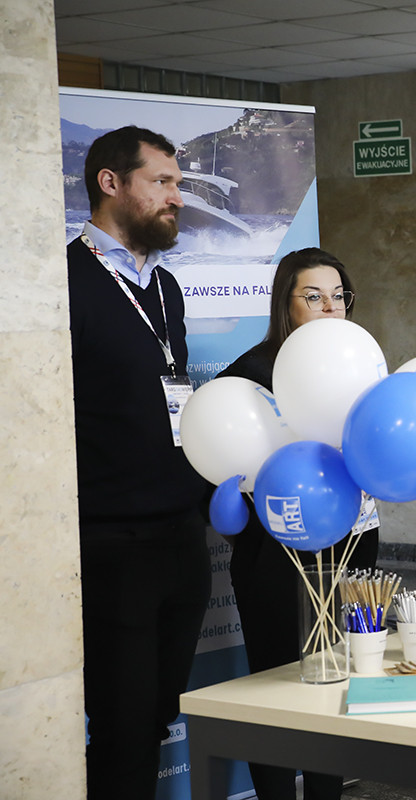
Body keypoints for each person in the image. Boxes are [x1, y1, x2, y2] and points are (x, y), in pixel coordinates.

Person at [69, 125, 211, 800]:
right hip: (111, 543)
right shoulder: (64, 283)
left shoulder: (166, 287)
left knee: (157, 717)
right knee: (121, 730)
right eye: (162, 182)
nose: (177, 197)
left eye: (177, 183)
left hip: (181, 535)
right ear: (111, 182)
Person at [218, 247, 380, 800]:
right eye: (314, 297)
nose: (330, 307)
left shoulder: (357, 364)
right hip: (275, 557)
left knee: (335, 682)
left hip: (351, 546)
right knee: (278, 689)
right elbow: (223, 462)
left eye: (339, 296)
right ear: (285, 304)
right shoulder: (251, 373)